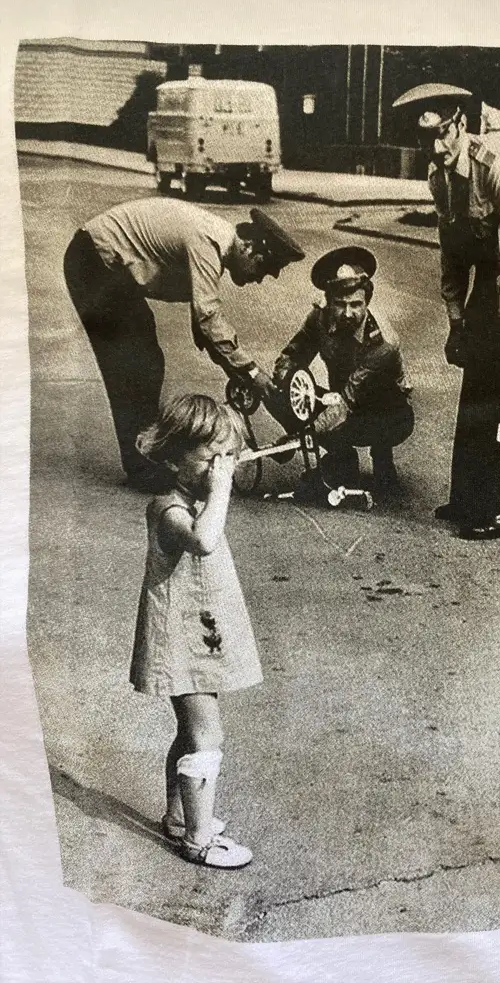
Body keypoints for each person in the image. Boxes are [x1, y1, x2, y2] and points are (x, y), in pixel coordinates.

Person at [392, 83, 500, 540]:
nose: (435, 146)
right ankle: (467, 497)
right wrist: (456, 321)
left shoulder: (497, 167)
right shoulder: (438, 176)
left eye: (442, 133)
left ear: (461, 124)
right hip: (493, 269)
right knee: (475, 382)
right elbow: (453, 251)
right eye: (425, 138)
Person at [63, 197, 305, 491]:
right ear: (249, 248)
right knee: (130, 364)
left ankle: (146, 455)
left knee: (147, 361)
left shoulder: (216, 242)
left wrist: (242, 374)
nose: (258, 280)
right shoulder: (208, 242)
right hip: (93, 264)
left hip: (108, 269)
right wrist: (253, 373)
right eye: (261, 270)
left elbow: (207, 330)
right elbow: (207, 317)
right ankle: (142, 466)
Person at [130, 393, 261, 869]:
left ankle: (177, 817)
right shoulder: (169, 510)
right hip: (178, 644)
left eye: (228, 457)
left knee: (189, 732)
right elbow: (204, 541)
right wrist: (223, 488)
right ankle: (199, 840)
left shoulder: (196, 498)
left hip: (197, 636)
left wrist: (217, 478)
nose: (220, 467)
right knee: (207, 736)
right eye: (209, 458)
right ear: (172, 457)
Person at [271, 246, 414, 493]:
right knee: (281, 387)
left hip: (385, 410)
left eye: (356, 304)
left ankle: (382, 456)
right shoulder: (318, 320)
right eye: (339, 304)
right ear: (328, 303)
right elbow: (290, 358)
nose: (348, 313)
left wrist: (304, 435)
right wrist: (284, 392)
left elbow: (347, 401)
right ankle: (343, 459)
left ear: (367, 302)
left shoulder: (383, 342)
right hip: (341, 398)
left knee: (381, 404)